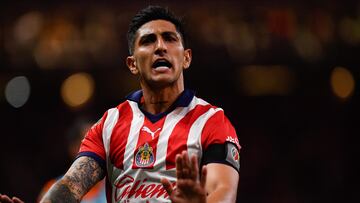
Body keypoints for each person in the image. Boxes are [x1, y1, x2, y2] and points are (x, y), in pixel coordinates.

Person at [1, 5, 240, 203]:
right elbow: (71, 185)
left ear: (186, 57)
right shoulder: (110, 124)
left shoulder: (212, 120)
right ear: (132, 64)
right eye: (148, 41)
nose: (160, 47)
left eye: (169, 38)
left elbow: (224, 191)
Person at [37, 117, 107, 203]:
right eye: (90, 144)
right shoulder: (52, 189)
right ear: (73, 148)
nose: (97, 150)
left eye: (100, 143)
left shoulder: (115, 185)